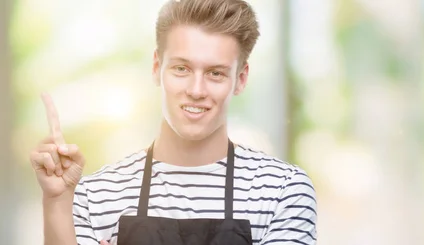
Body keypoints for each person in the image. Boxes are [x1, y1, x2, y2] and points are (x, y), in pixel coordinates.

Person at [28, 0, 318, 244]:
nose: (196, 90)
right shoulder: (96, 195)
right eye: (182, 68)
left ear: (240, 79)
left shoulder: (282, 191)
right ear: (157, 68)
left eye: (215, 73)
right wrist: (56, 202)